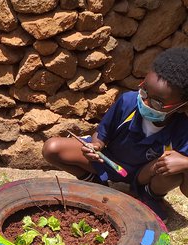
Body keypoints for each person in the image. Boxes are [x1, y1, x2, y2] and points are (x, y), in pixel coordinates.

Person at [42, 47, 188, 223]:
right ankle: (94, 181)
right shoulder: (127, 102)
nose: (145, 102)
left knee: (175, 168)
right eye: (144, 92)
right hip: (109, 162)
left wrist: (186, 164)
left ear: (182, 106)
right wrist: (96, 146)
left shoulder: (183, 129)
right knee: (52, 148)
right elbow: (101, 134)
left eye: (157, 102)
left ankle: (149, 196)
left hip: (144, 175)